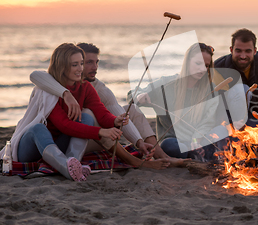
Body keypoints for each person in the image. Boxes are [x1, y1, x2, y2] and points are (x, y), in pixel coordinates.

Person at [29, 43, 175, 169]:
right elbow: (36, 75)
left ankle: (160, 154)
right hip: (65, 136)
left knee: (132, 110)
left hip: (82, 135)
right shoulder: (50, 86)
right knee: (87, 114)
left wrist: (130, 133)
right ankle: (134, 161)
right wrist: (65, 93)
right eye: (88, 62)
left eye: (96, 62)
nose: (95, 67)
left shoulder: (94, 87)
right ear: (65, 64)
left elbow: (109, 112)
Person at [4, 43, 129, 181]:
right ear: (62, 67)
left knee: (86, 117)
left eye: (81, 63)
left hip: (58, 145)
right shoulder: (48, 90)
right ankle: (67, 167)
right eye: (74, 65)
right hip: (31, 148)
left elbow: (101, 113)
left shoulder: (85, 87)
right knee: (37, 128)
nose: (80, 69)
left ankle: (72, 163)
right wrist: (100, 131)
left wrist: (115, 120)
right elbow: (64, 125)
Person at [135, 43, 227, 162]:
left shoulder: (211, 90)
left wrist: (196, 140)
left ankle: (199, 154)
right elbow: (133, 94)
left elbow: (207, 122)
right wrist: (140, 96)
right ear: (187, 61)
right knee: (169, 146)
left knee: (222, 130)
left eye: (206, 66)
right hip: (175, 141)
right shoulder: (167, 83)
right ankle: (197, 156)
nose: (202, 69)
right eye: (198, 63)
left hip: (200, 139)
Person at [214, 28, 258, 132]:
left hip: (255, 119)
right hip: (229, 123)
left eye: (248, 51)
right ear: (231, 50)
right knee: (242, 89)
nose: (243, 56)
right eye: (238, 51)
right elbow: (219, 108)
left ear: (255, 51)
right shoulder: (219, 68)